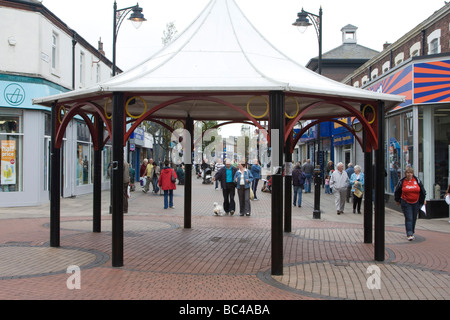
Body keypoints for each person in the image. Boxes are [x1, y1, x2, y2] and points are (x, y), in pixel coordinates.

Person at [394, 167, 426, 241]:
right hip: (405, 202)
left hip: (416, 202)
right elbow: (397, 191)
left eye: (410, 173)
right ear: (405, 174)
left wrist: (423, 200)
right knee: (409, 217)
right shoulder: (402, 182)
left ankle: (412, 230)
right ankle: (409, 233)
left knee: (414, 217)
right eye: (407, 173)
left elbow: (422, 190)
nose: (409, 174)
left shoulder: (417, 180)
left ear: (413, 174)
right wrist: (397, 200)